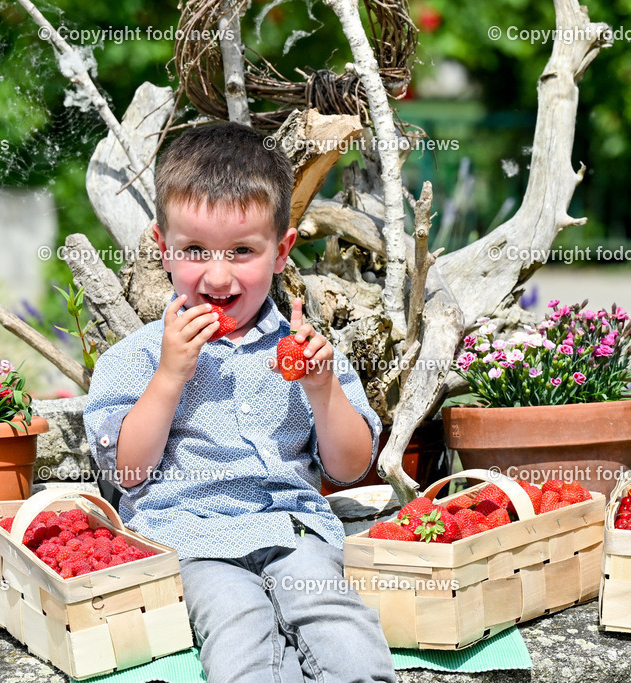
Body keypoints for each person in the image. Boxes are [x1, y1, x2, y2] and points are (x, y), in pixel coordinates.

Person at [83, 121, 397, 683]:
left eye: (242, 251)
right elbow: (128, 472)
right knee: (239, 628)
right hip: (191, 537)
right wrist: (169, 377)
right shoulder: (135, 359)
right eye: (196, 250)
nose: (219, 275)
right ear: (163, 249)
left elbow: (350, 469)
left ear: (281, 252)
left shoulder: (307, 352)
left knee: (340, 623)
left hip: (292, 530)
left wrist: (321, 389)